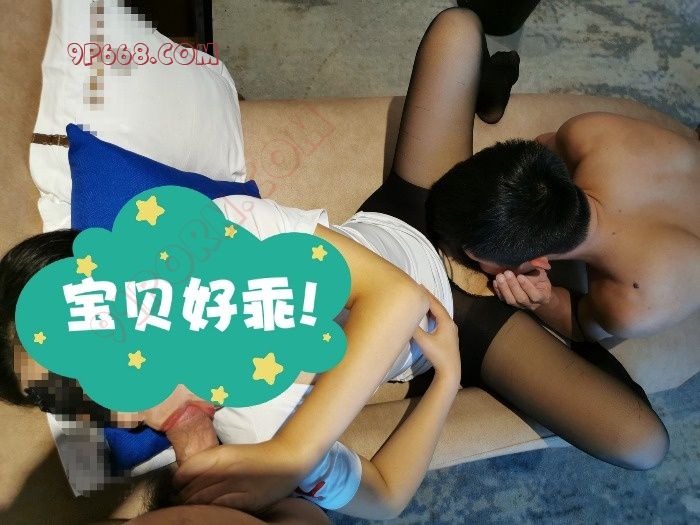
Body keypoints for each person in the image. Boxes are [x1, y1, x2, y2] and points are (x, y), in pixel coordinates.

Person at [0, 5, 671, 519]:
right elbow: (383, 494)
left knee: (459, 27)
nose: (124, 408)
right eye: (83, 399)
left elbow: (393, 293)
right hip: (457, 320)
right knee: (641, 443)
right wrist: (446, 380)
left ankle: (487, 96)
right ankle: (566, 325)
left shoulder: (217, 237)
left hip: (404, 218)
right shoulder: (251, 431)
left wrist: (292, 453)